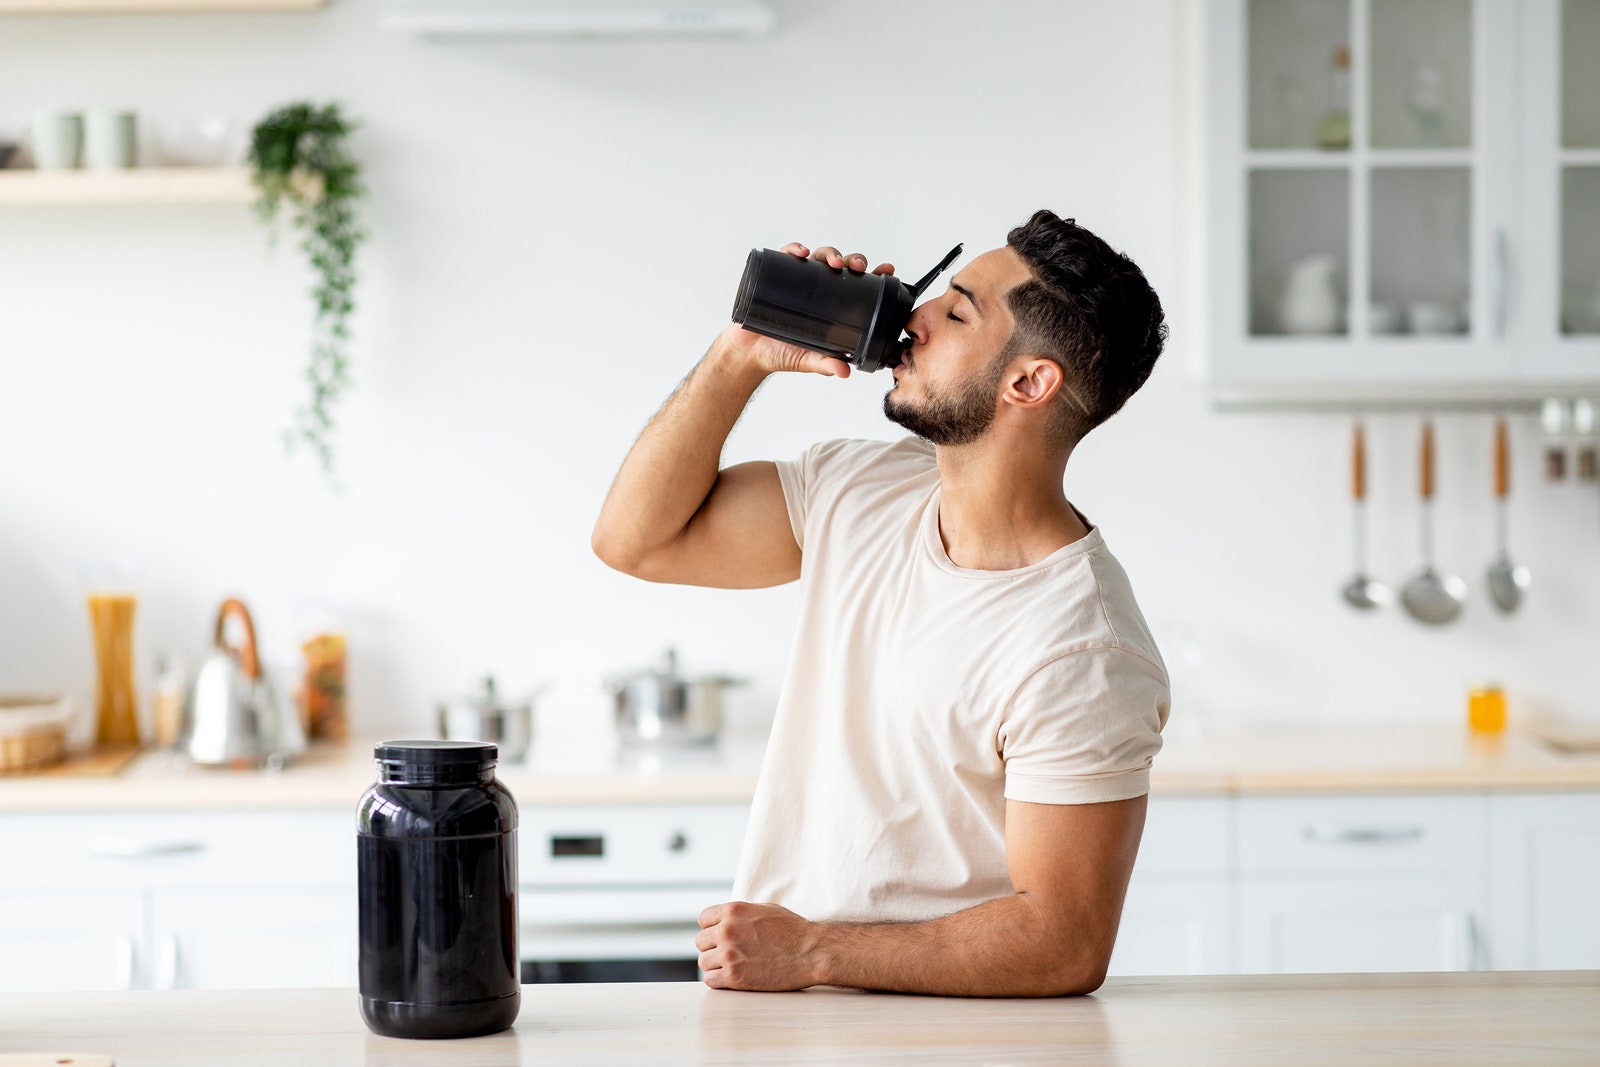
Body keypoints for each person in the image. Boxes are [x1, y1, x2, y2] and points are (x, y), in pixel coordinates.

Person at [592, 209, 1171, 997]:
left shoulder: (1085, 648)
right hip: (788, 1023)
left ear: (1028, 382)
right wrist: (743, 355)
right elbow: (636, 540)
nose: (915, 315)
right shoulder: (860, 490)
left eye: (957, 310)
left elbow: (1060, 941)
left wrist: (811, 952)